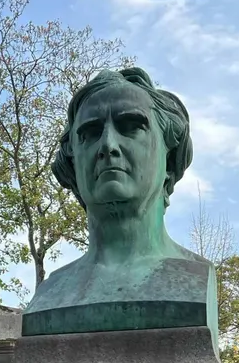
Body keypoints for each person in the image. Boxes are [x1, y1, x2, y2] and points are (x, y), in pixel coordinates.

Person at [22, 67, 216, 340]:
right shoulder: (50, 293)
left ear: (169, 161)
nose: (108, 145)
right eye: (90, 133)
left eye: (131, 127)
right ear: (72, 163)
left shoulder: (194, 279)